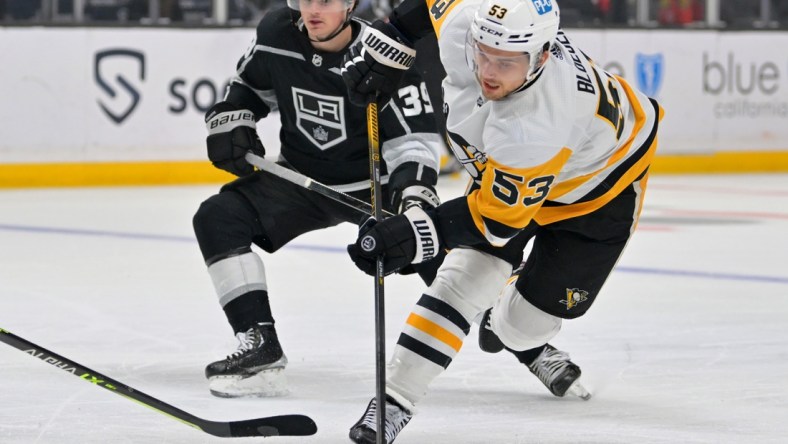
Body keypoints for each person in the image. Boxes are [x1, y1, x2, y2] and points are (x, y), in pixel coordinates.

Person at [341, 0, 663, 441]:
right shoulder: (469, 25)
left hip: (598, 193)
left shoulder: (536, 125)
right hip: (515, 175)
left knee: (515, 327)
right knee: (461, 279)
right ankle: (394, 399)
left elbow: (494, 219)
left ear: (543, 56)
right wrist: (393, 35)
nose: (488, 71)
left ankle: (519, 333)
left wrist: (415, 234)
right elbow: (430, 7)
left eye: (507, 62)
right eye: (483, 53)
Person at [192, 0, 444, 398]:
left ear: (349, 5)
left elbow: (415, 145)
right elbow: (248, 89)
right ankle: (260, 343)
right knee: (218, 217)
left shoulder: (385, 55)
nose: (312, 10)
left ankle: (528, 343)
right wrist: (232, 121)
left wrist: (414, 204)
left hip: (373, 190)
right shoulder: (277, 34)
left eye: (325, 0)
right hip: (297, 180)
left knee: (445, 256)